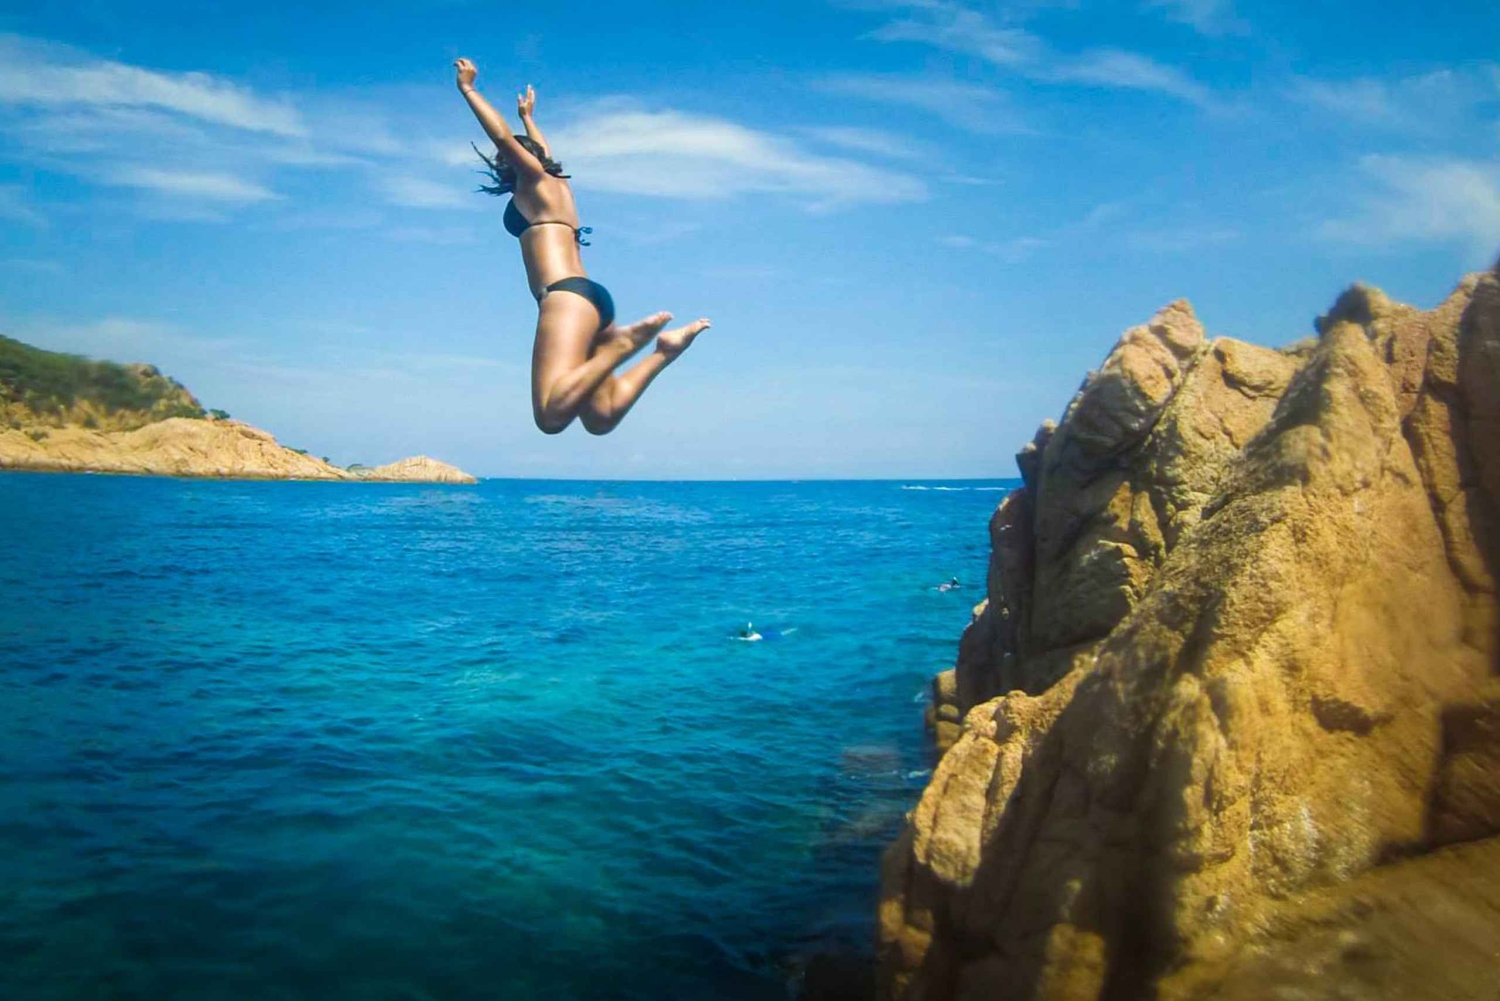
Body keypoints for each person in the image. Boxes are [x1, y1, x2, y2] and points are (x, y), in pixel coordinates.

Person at [454, 59, 711, 435]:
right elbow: (538, 149)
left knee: (550, 416)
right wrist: (529, 118)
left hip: (563, 298)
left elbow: (503, 140)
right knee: (601, 416)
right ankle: (663, 352)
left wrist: (469, 90)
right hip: (593, 300)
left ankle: (621, 347)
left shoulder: (533, 181)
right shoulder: (558, 184)